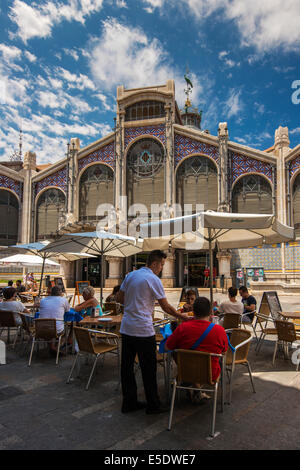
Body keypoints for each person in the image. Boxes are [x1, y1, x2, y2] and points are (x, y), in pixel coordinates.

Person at [116, 249, 189, 415]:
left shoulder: (130, 275)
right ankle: (153, 404)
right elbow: (166, 306)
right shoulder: (153, 279)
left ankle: (129, 403)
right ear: (155, 264)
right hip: (143, 330)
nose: (162, 268)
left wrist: (136, 302)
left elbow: (119, 298)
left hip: (127, 328)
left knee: (126, 367)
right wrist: (181, 316)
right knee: (148, 368)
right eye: (162, 265)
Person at [165, 297, 228, 398]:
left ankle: (195, 389)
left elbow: (167, 347)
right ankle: (197, 390)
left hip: (186, 372)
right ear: (210, 312)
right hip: (210, 374)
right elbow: (224, 352)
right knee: (219, 359)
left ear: (193, 312)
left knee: (176, 353)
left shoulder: (182, 328)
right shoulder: (219, 331)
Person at [39, 286, 70, 352]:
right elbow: (67, 311)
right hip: (56, 329)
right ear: (60, 293)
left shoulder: (43, 300)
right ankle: (56, 347)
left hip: (41, 329)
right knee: (65, 328)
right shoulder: (63, 300)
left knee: (50, 327)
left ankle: (52, 346)